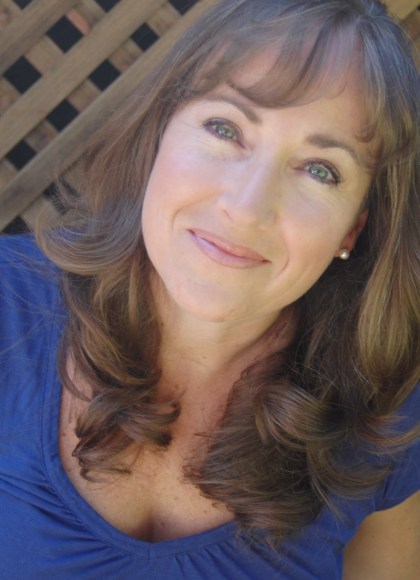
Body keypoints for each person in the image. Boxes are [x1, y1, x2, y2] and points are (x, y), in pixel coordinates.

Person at [0, 0, 419, 577]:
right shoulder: (9, 304)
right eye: (225, 129)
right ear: (159, 133)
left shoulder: (387, 415)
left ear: (353, 228)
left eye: (320, 170)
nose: (246, 208)